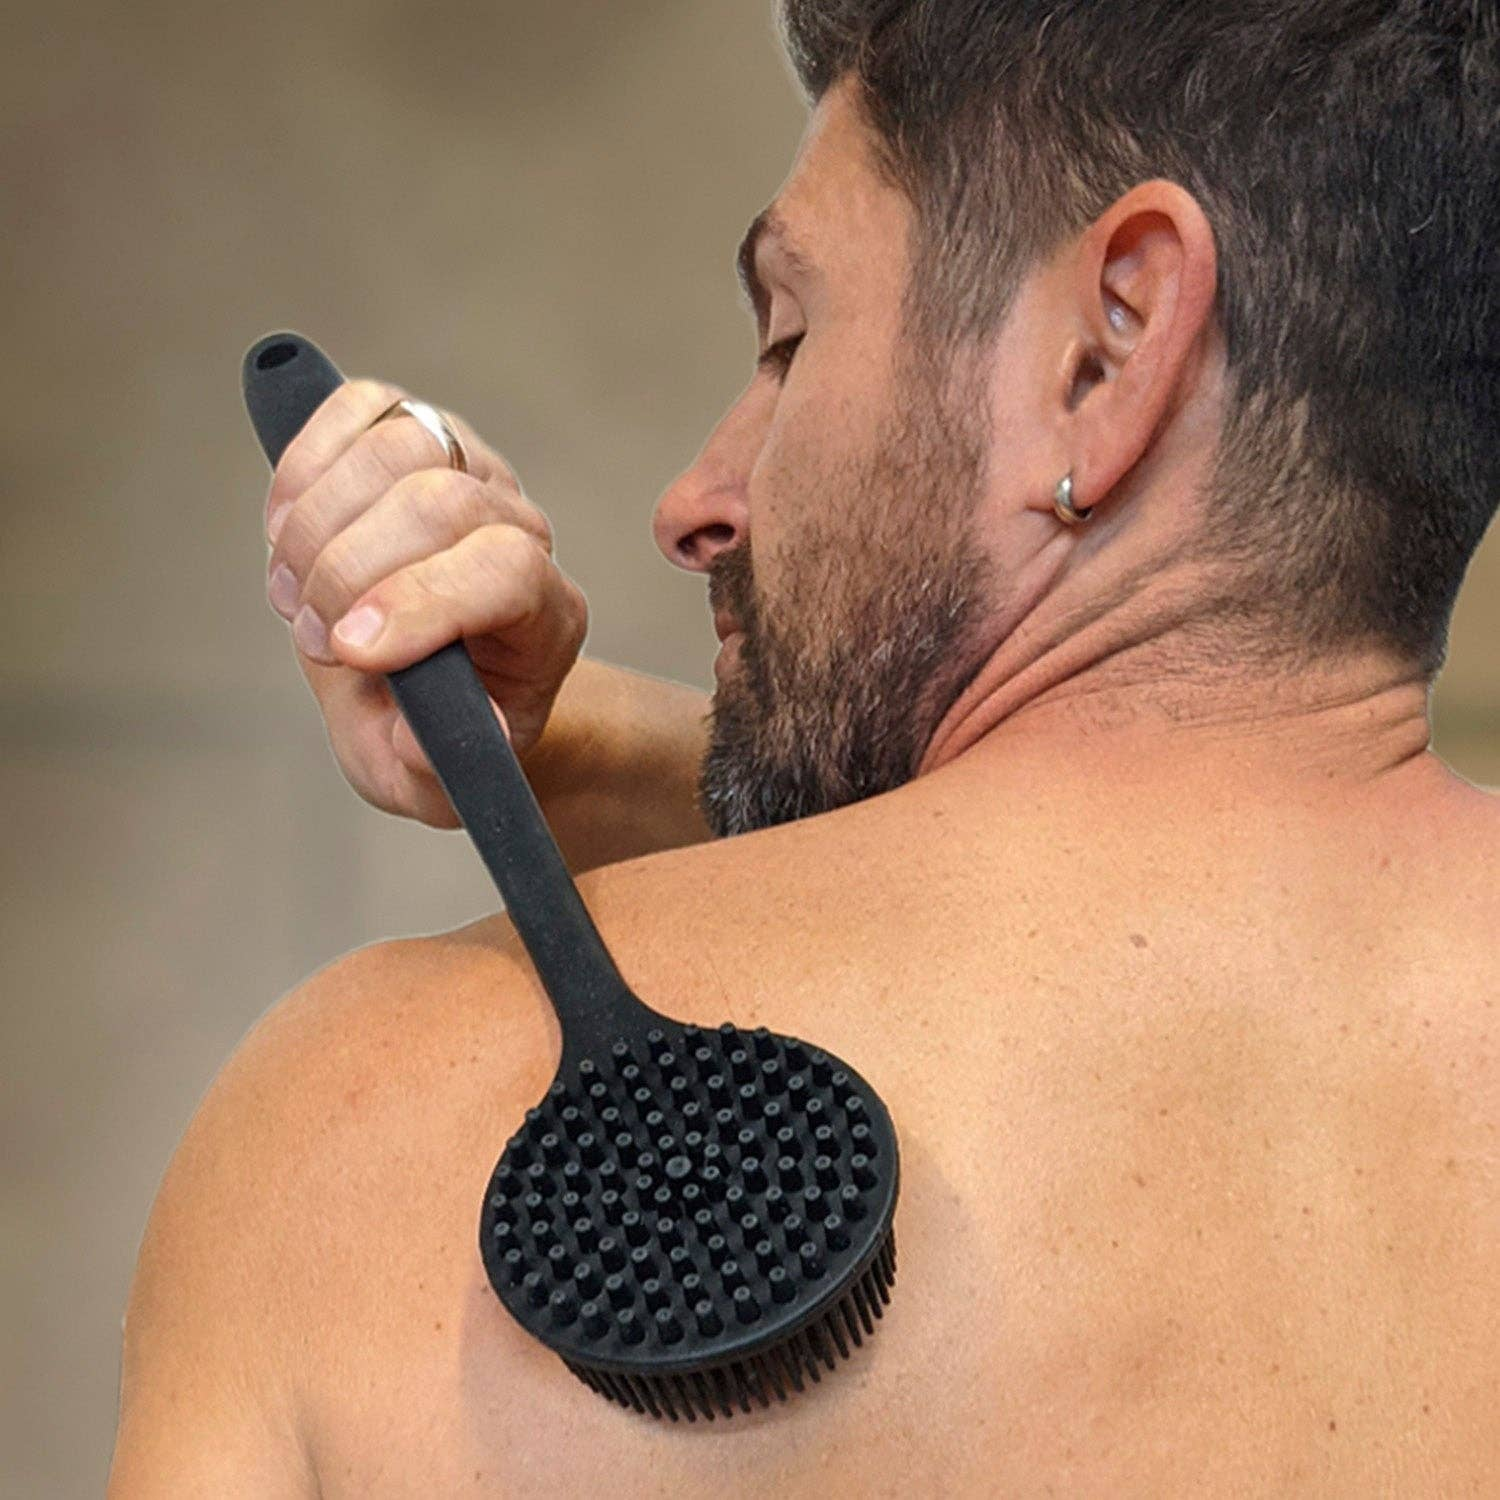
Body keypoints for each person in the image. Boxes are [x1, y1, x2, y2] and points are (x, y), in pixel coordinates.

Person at [110, 2, 1499, 1493]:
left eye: (789, 338)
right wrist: (569, 749)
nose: (697, 501)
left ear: (1108, 352)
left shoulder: (362, 1134)